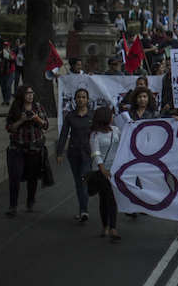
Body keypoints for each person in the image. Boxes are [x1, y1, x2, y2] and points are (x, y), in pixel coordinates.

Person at [5, 85, 49, 216]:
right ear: (22, 95)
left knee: (32, 177)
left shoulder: (38, 107)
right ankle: (13, 206)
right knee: (15, 177)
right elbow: (9, 128)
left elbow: (46, 125)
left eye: (32, 92)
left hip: (34, 148)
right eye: (27, 93)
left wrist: (36, 118)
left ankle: (30, 201)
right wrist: (21, 120)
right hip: (17, 148)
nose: (30, 95)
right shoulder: (16, 108)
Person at [55, 88, 93, 223]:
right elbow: (64, 135)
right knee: (78, 182)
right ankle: (82, 208)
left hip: (87, 154)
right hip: (73, 153)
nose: (81, 99)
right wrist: (59, 153)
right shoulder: (70, 116)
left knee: (84, 180)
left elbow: (98, 135)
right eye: (78, 97)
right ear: (75, 99)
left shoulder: (92, 116)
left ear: (87, 100)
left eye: (83, 97)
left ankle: (84, 211)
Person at [89, 106, 121, 241]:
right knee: (104, 198)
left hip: (114, 170)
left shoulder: (116, 130)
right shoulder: (95, 135)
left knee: (112, 198)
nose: (113, 117)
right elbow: (96, 153)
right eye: (111, 115)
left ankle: (113, 227)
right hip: (101, 171)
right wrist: (102, 169)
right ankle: (105, 225)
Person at [0, 39, 17, 106]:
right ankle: (4, 100)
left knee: (8, 86)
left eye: (7, 46)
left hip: (10, 72)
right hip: (2, 73)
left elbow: (13, 59)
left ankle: (7, 100)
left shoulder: (12, 52)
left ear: (9, 46)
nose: (5, 47)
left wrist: (8, 53)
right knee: (3, 87)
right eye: (4, 46)